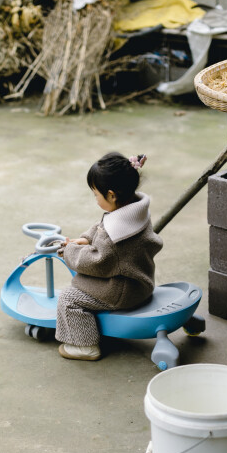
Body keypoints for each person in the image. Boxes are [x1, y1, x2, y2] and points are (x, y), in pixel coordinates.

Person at [55, 152, 163, 361]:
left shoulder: (114, 238)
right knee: (79, 285)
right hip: (140, 280)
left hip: (123, 291)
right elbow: (101, 227)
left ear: (112, 195)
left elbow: (98, 262)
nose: (95, 199)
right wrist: (86, 239)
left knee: (68, 298)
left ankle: (84, 346)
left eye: (96, 194)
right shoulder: (133, 210)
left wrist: (69, 251)